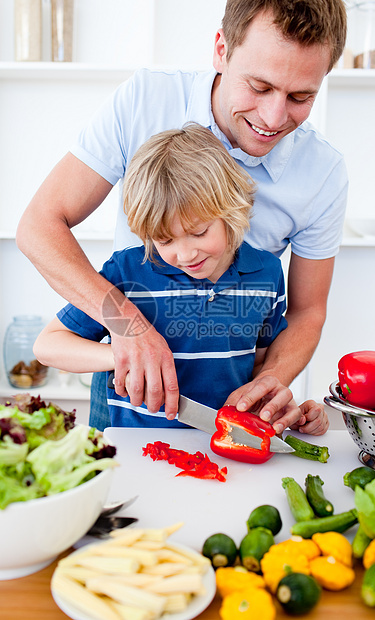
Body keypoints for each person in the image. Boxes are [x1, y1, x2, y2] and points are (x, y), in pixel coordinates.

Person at [17, 0, 347, 434]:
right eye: (259, 86)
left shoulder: (323, 173)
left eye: (301, 96)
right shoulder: (145, 99)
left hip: (229, 404)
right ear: (221, 50)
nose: (273, 117)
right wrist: (128, 331)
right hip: (132, 388)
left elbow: (305, 313)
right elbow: (39, 226)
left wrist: (267, 387)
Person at [34, 124, 328, 434]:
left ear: (231, 208)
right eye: (164, 240)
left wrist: (279, 407)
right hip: (139, 450)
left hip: (224, 450)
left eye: (199, 232)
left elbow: (261, 366)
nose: (185, 254)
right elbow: (48, 346)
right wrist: (120, 353)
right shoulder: (127, 273)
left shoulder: (266, 274)